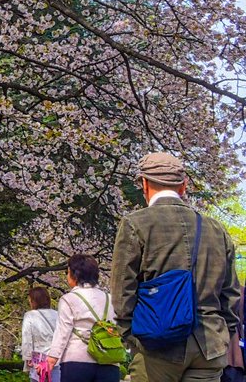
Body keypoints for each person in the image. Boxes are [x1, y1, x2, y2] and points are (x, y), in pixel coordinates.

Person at [111, 152, 241, 382]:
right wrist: (225, 333)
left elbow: (123, 291)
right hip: (208, 345)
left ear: (144, 183)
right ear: (184, 185)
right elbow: (231, 293)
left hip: (156, 344)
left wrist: (131, 336)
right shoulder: (216, 229)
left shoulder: (135, 224)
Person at [45, 255, 118, 382]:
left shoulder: (69, 299)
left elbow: (63, 331)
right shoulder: (110, 299)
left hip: (77, 360)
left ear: (75, 275)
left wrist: (52, 357)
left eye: (68, 272)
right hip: (109, 360)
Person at [22, 287, 59, 382]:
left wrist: (28, 357)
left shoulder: (30, 315)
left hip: (38, 360)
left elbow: (27, 339)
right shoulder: (57, 314)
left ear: (33, 301)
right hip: (55, 358)